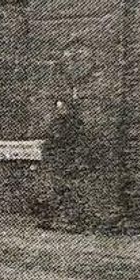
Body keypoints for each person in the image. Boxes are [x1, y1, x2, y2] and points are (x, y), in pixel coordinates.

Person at [36, 95, 85, 230]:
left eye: (63, 107)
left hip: (69, 161)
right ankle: (51, 220)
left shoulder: (75, 124)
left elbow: (77, 143)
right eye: (58, 108)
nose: (60, 110)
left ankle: (71, 221)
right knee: (54, 190)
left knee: (69, 191)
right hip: (56, 161)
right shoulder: (55, 123)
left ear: (69, 108)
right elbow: (50, 139)